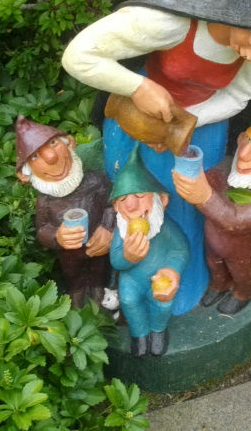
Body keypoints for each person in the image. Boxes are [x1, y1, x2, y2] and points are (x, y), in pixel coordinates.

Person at [62, 0, 251, 314]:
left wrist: (184, 123)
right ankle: (123, 277)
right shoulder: (170, 23)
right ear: (246, 11)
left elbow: (239, 96)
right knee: (132, 198)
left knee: (187, 206)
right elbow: (78, 56)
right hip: (135, 117)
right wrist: (139, 87)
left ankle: (188, 281)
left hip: (202, 126)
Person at [173, 101, 251, 314]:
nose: (244, 154)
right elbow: (214, 177)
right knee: (214, 264)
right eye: (247, 141)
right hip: (213, 242)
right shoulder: (232, 171)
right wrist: (194, 173)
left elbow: (233, 221)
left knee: (242, 274)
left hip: (240, 251)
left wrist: (204, 197)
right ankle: (219, 285)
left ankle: (242, 294)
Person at [15, 115, 115, 306]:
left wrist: (107, 226)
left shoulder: (96, 181)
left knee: (99, 269)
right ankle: (76, 292)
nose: (51, 157)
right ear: (25, 174)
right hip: (69, 254)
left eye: (53, 143)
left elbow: (112, 204)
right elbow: (43, 229)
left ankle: (98, 289)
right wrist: (57, 237)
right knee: (72, 273)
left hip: (97, 245)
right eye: (35, 156)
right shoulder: (44, 200)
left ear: (70, 142)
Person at [109, 145, 189, 357]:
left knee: (163, 304)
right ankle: (139, 335)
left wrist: (172, 270)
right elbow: (115, 260)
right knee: (128, 301)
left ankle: (158, 332)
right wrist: (127, 256)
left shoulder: (166, 229)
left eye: (139, 195)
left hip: (159, 279)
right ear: (116, 207)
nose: (131, 205)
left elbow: (180, 250)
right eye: (122, 200)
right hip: (132, 280)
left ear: (161, 199)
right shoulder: (121, 233)